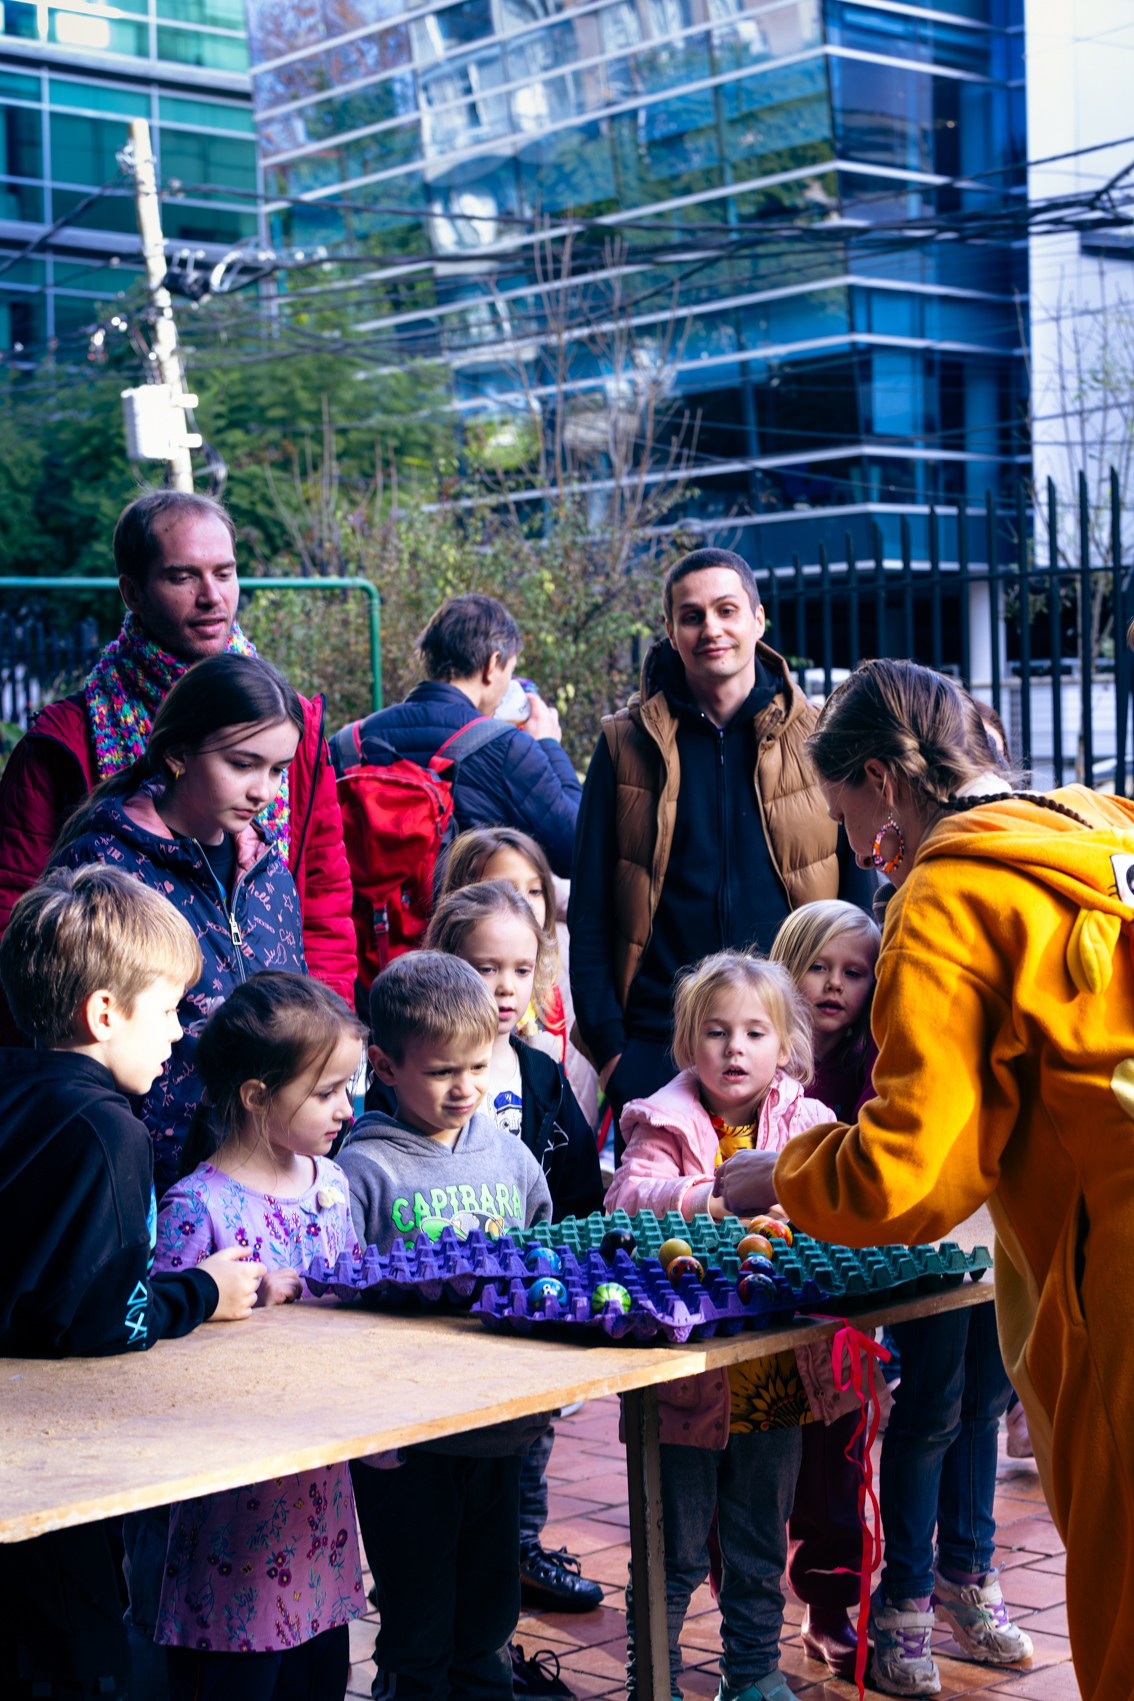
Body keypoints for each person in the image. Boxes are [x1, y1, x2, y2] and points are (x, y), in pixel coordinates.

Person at [712, 657, 1133, 1701]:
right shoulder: (1100, 828)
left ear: (885, 778)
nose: (863, 850)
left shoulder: (948, 893)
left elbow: (909, 1171)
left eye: (851, 816)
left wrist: (786, 1174)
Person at [0, 866, 265, 1701]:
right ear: (105, 1013)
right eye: (168, 1009)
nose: (180, 1035)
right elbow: (106, 1321)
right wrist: (204, 1291)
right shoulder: (109, 1131)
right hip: (57, 1472)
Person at [0, 490, 355, 1030]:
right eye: (183, 577)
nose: (212, 597)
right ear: (133, 593)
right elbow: (17, 921)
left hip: (284, 1052)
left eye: (225, 573)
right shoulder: (65, 741)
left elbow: (325, 902)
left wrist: (322, 1038)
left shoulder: (292, 728)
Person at [607, 951, 859, 1701]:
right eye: (716, 1032)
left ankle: (751, 1674)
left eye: (754, 1032)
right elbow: (628, 1196)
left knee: (758, 1541)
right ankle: (653, 1678)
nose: (734, 1048)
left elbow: (838, 1202)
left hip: (773, 1377)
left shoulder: (809, 1120)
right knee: (673, 1546)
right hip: (686, 1379)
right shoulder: (664, 1118)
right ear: (689, 1043)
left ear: (785, 1044)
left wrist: (801, 1200)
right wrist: (713, 1199)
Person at [568, 546, 873, 1142]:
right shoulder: (625, 744)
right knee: (664, 1200)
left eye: (726, 610)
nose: (711, 628)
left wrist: (839, 1041)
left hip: (790, 1049)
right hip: (658, 1049)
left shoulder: (820, 737)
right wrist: (613, 1056)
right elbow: (591, 910)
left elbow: (856, 901)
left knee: (786, 1204)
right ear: (671, 631)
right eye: (692, 616)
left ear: (758, 620)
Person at [338, 951, 552, 1701]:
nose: (465, 1087)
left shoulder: (512, 1158)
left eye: (478, 1066)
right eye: (440, 1072)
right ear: (385, 1067)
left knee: (489, 1611)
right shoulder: (364, 1170)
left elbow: (542, 1265)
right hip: (406, 1441)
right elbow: (339, 1302)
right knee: (418, 1616)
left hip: (496, 1426)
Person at [151, 972, 367, 1700]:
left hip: (320, 1504)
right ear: (255, 1094)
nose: (347, 1108)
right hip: (233, 1521)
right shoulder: (197, 1206)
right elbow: (157, 1360)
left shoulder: (332, 1185)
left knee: (319, 1681)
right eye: (326, 1092)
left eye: (348, 1087)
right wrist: (238, 1306)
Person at [50, 654, 310, 1199]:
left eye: (277, 770)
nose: (264, 791)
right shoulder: (104, 869)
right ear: (177, 755)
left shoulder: (270, 870)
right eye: (243, 764)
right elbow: (66, 1046)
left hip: (262, 1180)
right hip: (137, 1180)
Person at [425, 881, 604, 1659]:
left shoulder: (540, 1074)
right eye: (484, 966)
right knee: (446, 1468)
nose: (504, 987)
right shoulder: (417, 1074)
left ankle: (514, 1572)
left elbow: (580, 1191)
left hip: (530, 1307)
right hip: (444, 1316)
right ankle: (432, 1608)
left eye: (521, 969)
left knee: (526, 1447)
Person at [764, 900, 882, 1679]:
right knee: (756, 1461)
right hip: (767, 1289)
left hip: (843, 1299)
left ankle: (829, 1605)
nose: (835, 984)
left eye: (854, 972)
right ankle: (743, 1613)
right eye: (818, 966)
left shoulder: (879, 1065)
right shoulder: (756, 1055)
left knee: (838, 1462)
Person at [334, 593, 581, 875]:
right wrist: (549, 744)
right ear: (492, 664)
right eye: (510, 670)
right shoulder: (508, 749)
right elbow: (578, 850)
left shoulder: (346, 745)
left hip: (361, 905)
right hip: (462, 905)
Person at [441, 826, 569, 1061]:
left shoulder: (547, 991)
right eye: (505, 890)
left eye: (535, 891)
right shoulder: (440, 1007)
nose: (524, 903)